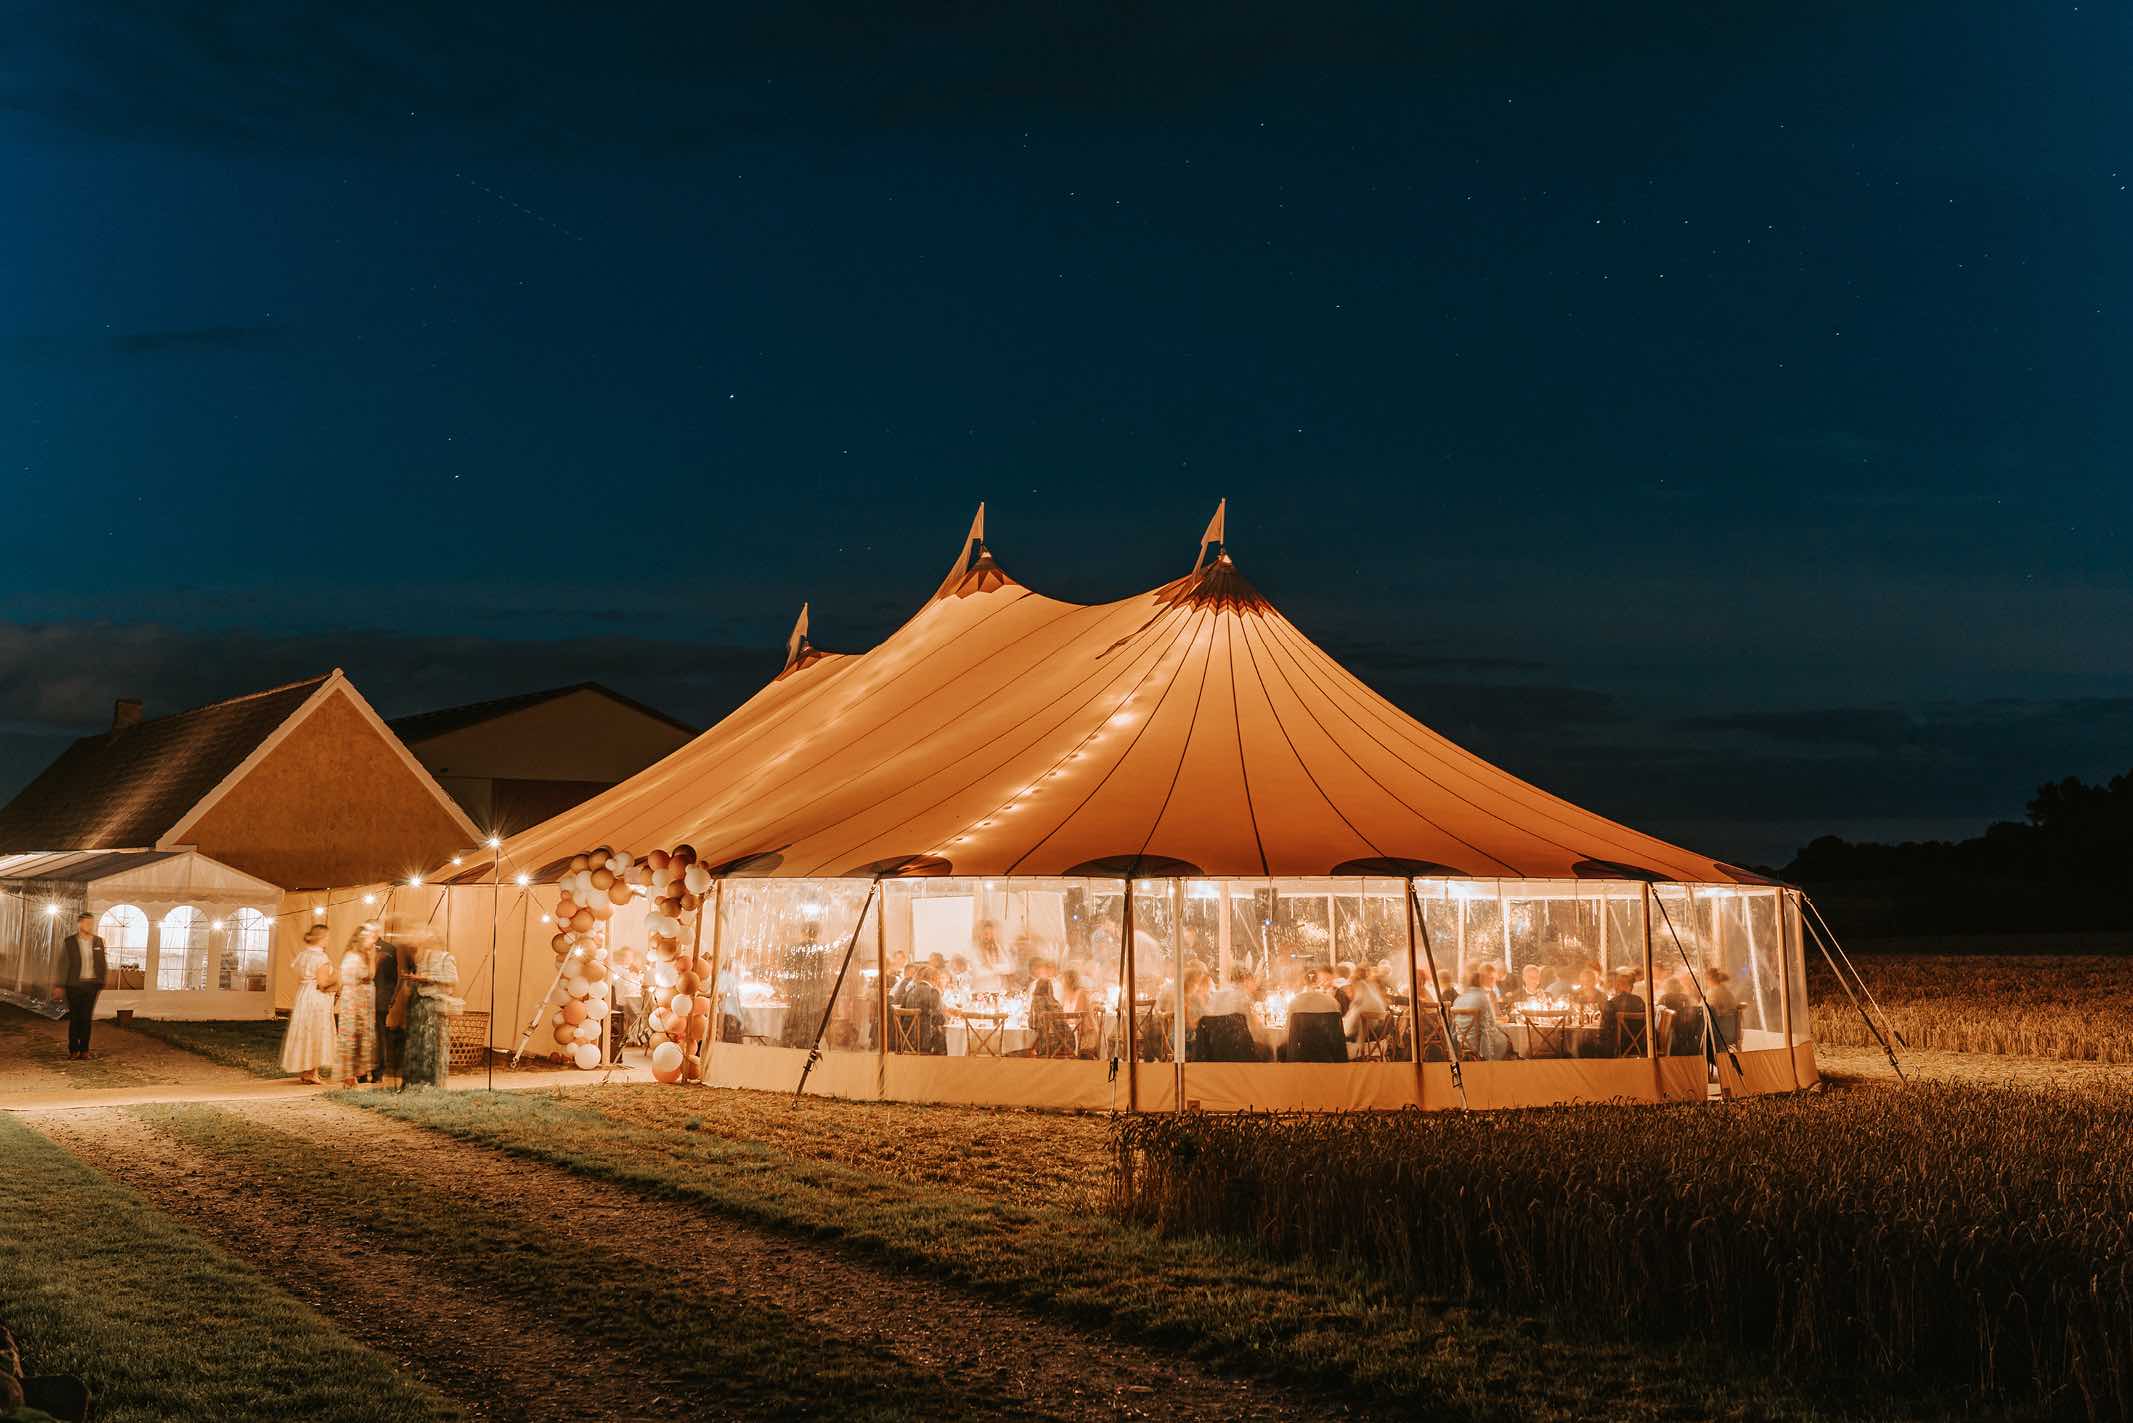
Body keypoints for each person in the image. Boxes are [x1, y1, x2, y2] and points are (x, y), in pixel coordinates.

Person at [280, 924, 339, 1084]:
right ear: (322, 938)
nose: (328, 940)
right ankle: (312, 1072)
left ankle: (308, 1071)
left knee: (306, 1030)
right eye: (327, 937)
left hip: (304, 995)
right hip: (316, 997)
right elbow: (323, 983)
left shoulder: (303, 955)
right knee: (316, 1031)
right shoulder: (321, 958)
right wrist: (338, 977)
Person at [402, 930, 460, 1088]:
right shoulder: (423, 957)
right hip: (421, 1005)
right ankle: (418, 1081)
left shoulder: (446, 958)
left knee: (434, 1045)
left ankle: (433, 1082)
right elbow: (419, 977)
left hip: (435, 1005)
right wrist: (413, 980)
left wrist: (427, 978)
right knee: (420, 1044)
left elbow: (452, 979)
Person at [54, 913, 107, 1061]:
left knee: (86, 1018)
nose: (90, 926)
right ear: (80, 924)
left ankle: (84, 1050)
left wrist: (101, 980)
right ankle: (73, 1050)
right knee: (75, 1017)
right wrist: (59, 984)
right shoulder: (70, 941)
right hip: (74, 985)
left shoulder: (98, 941)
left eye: (92, 923)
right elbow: (63, 963)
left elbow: (102, 962)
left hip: (91, 984)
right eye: (87, 923)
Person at [335, 925, 378, 1088]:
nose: (373, 942)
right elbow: (368, 976)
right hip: (355, 1000)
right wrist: (372, 959)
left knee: (358, 1037)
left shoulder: (356, 955)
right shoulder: (354, 956)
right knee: (352, 1036)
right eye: (371, 938)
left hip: (360, 1000)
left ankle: (351, 1077)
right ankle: (348, 1076)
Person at [1450, 969, 1514, 1060]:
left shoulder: (1459, 999)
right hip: (1478, 1042)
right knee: (1508, 1041)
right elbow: (1490, 1023)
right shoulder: (1482, 998)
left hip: (1461, 1041)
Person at [366, 923, 400, 1083]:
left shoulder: (389, 949)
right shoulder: (362, 947)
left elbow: (393, 977)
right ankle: (362, 1071)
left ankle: (377, 1072)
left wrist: (390, 997)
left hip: (380, 997)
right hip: (364, 997)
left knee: (378, 1034)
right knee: (365, 1034)